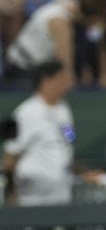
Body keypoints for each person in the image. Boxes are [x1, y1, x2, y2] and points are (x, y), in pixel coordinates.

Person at [7, 0, 106, 85]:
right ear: (93, 17)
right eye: (101, 19)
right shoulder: (60, 23)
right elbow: (65, 68)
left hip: (38, 66)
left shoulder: (74, 5)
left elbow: (99, 43)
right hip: (22, 70)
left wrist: (103, 73)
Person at [2, 60, 75, 206]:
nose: (67, 83)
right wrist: (11, 193)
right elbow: (10, 157)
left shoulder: (64, 110)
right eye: (62, 78)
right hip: (32, 198)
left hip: (61, 194)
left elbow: (68, 144)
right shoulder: (23, 113)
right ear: (46, 80)